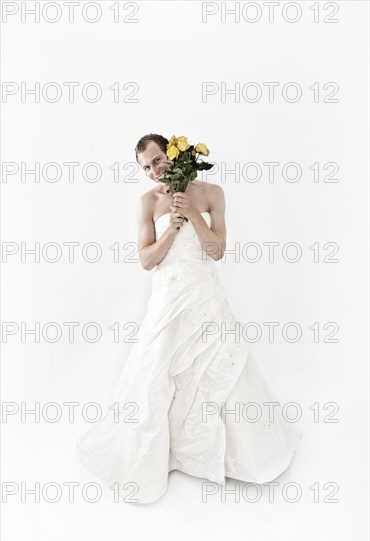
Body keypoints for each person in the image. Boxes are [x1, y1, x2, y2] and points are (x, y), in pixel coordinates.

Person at [76, 133, 302, 504]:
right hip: (168, 298)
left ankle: (229, 452)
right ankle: (167, 451)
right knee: (160, 370)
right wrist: (173, 226)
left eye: (157, 160)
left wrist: (193, 213)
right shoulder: (146, 203)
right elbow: (147, 260)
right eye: (146, 167)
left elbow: (217, 251)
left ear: (174, 154)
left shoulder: (212, 193)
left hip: (205, 295)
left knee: (219, 366)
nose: (153, 170)